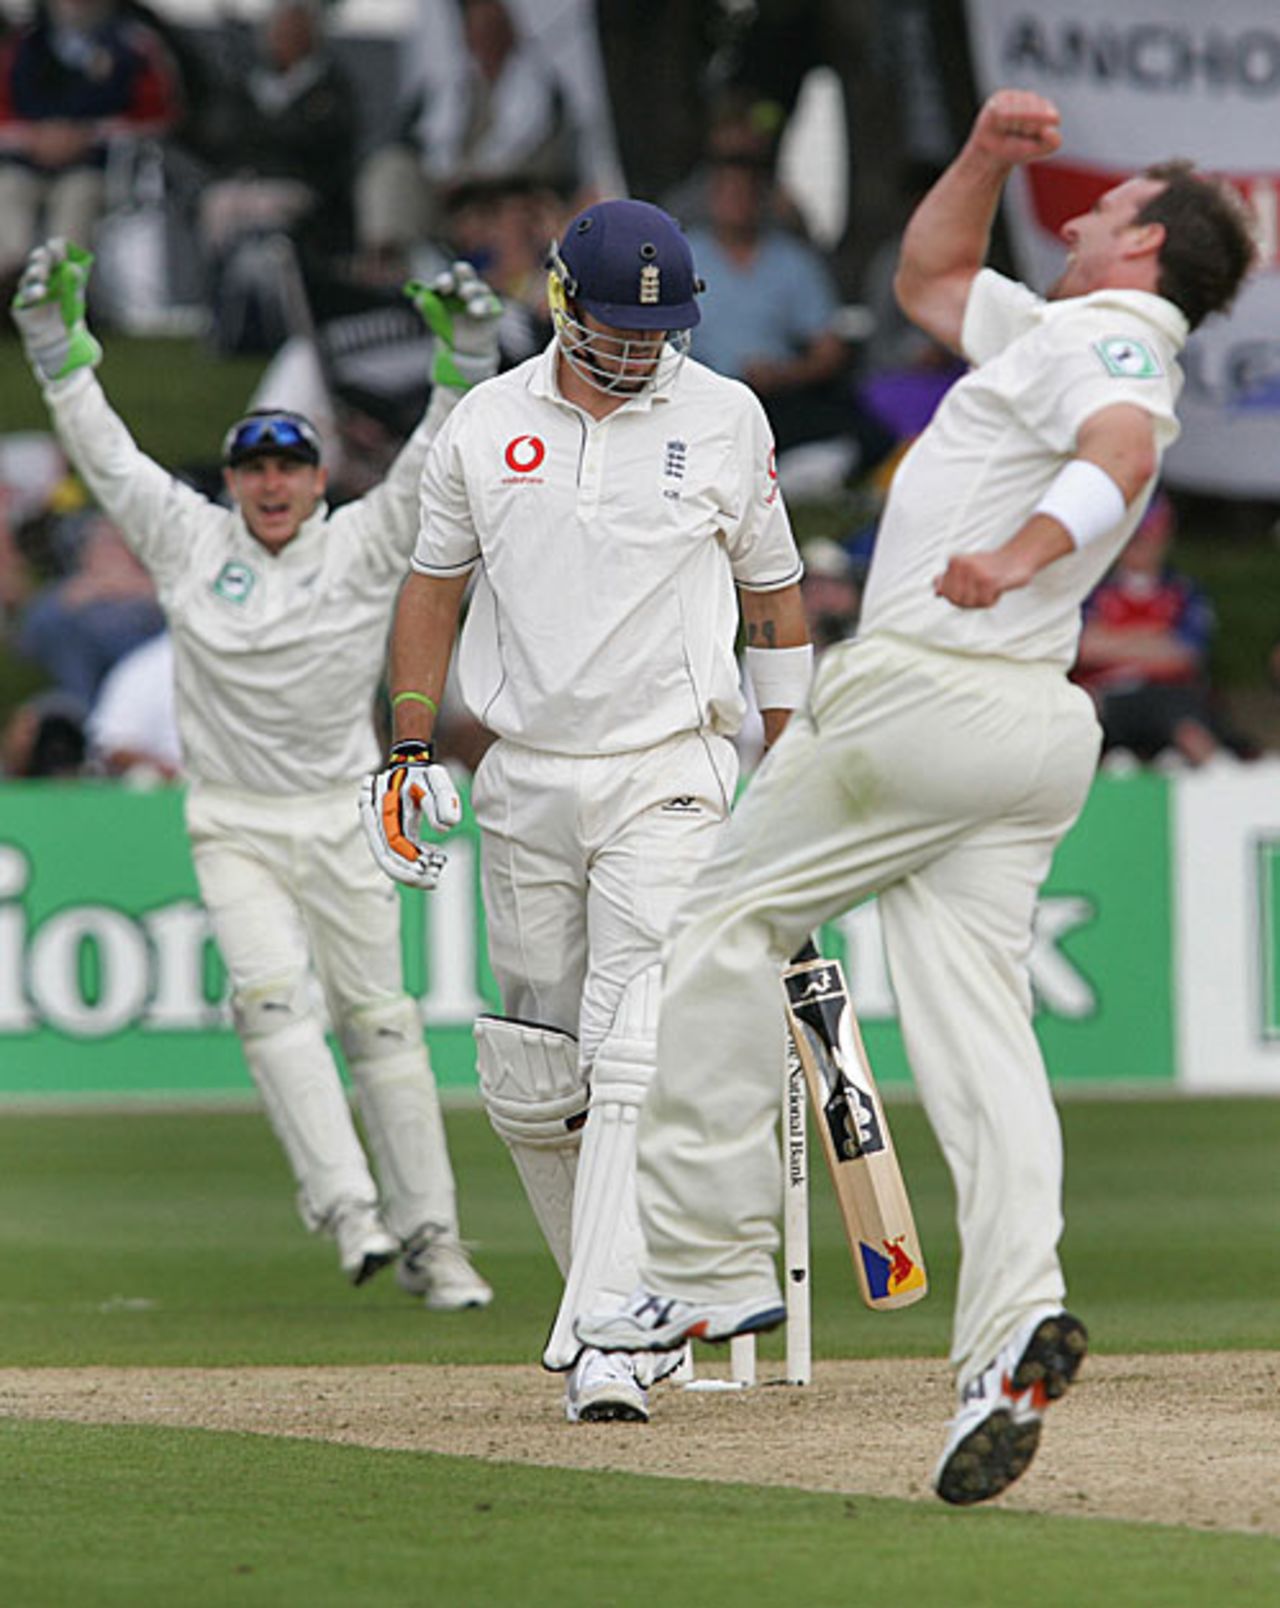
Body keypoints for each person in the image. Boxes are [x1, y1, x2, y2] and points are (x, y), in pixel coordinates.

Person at [575, 91, 1257, 1499]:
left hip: (935, 685)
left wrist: (1013, 557)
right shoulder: (1056, 331)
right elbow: (931, 280)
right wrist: (984, 156)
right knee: (978, 1031)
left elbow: (1122, 450)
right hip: (1026, 731)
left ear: (1145, 250)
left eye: (1105, 211)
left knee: (720, 922)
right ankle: (1009, 1338)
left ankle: (702, 1272)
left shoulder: (1111, 340)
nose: (1074, 220)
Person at [362, 198, 811, 1423]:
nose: (635, 349)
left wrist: (794, 749)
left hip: (670, 766)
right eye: (614, 326)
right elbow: (429, 593)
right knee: (529, 1075)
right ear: (561, 302)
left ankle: (612, 1335)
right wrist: (408, 749)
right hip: (525, 773)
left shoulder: (726, 416)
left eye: (655, 329)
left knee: (631, 1049)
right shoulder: (484, 422)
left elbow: (770, 597)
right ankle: (624, 1306)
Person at [11, 235, 503, 1308]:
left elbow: (433, 452)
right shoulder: (190, 541)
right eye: (254, 469)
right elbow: (111, 462)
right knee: (273, 1004)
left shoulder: (366, 542)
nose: (272, 485)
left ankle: (436, 1241)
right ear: (233, 483)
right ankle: (351, 1216)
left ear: (319, 479)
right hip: (231, 822)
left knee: (381, 1025)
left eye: (289, 467)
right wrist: (58, 357)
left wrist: (463, 362)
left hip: (342, 816)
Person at [0, 0, 183, 297]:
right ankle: (12, 279)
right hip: (27, 163)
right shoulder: (23, 46)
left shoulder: (132, 46)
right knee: (7, 191)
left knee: (78, 197)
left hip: (94, 166)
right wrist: (37, 138)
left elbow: (158, 116)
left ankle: (61, 288)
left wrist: (87, 135)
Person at [1073, 491, 1248, 768]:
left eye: (1147, 538)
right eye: (1133, 540)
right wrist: (1151, 641)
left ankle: (1226, 789)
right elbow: (1081, 648)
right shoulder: (1092, 590)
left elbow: (1186, 652)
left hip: (1169, 695)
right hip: (1104, 693)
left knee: (1191, 729)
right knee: (1077, 719)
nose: (1139, 547)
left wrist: (1113, 641)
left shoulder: (1183, 591)